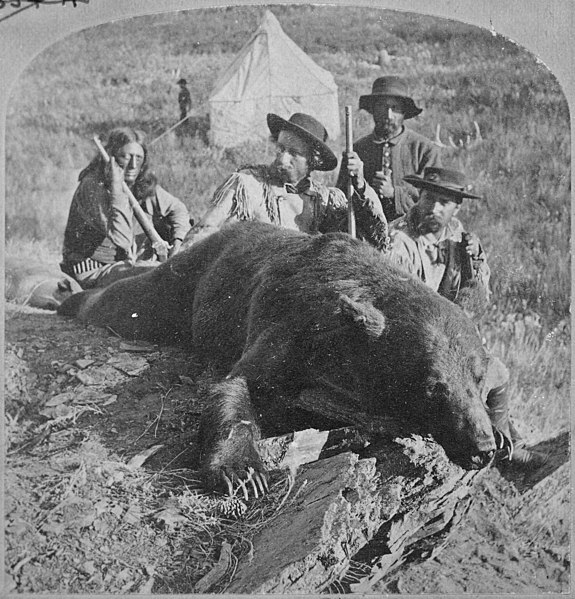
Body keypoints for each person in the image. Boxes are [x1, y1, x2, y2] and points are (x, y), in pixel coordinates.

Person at [387, 167, 544, 469]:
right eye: (429, 198)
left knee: (496, 372)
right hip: (418, 343)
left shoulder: (459, 236)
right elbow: (400, 306)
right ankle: (502, 446)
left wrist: (476, 262)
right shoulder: (399, 241)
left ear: (456, 207)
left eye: (444, 203)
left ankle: (507, 444)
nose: (434, 208)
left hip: (451, 337)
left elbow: (479, 297)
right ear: (418, 197)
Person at [184, 112, 389, 249]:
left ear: (313, 160)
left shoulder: (323, 200)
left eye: (294, 153)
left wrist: (361, 185)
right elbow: (203, 233)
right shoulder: (246, 185)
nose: (282, 159)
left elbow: (370, 238)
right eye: (281, 149)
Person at [61, 127, 191, 289]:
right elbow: (122, 239)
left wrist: (178, 244)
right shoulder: (93, 186)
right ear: (111, 157)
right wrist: (117, 188)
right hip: (92, 269)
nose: (133, 165)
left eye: (139, 157)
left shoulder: (138, 181)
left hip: (123, 262)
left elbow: (177, 209)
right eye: (126, 156)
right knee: (154, 278)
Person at [337, 76, 442, 222]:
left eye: (395, 108)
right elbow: (341, 199)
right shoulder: (358, 150)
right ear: (373, 109)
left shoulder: (424, 149)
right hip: (367, 234)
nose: (388, 115)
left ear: (404, 112)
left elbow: (435, 200)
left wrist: (394, 193)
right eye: (382, 107)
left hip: (412, 233)